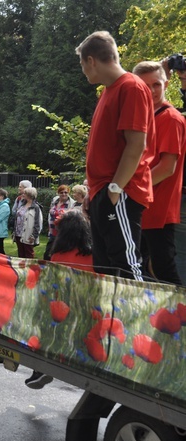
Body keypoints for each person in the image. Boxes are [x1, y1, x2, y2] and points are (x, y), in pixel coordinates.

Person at [76, 31, 154, 281]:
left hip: (120, 192)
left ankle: (139, 321)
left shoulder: (131, 87)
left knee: (126, 266)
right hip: (104, 191)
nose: (83, 71)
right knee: (105, 269)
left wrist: (114, 189)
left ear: (91, 60)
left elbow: (136, 145)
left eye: (82, 64)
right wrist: (95, 191)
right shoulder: (107, 91)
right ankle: (112, 321)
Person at [26, 210, 93, 390]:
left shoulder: (58, 255)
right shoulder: (92, 254)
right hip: (86, 306)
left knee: (44, 327)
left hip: (63, 304)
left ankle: (39, 369)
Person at [133, 61, 186, 285]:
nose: (153, 91)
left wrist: (129, 189)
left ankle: (178, 318)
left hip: (159, 210)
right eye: (146, 86)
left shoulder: (171, 118)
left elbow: (167, 168)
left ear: (166, 83)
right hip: (143, 208)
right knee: (144, 270)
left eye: (157, 84)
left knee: (165, 272)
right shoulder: (146, 116)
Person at [44, 185, 75, 260]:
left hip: (63, 233)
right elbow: (50, 214)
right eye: (61, 192)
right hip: (52, 232)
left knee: (59, 253)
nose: (64, 194)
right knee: (47, 254)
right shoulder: (55, 201)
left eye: (66, 192)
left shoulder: (72, 204)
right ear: (58, 193)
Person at [13, 187, 42, 259]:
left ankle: (29, 269)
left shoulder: (36, 207)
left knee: (28, 254)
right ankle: (21, 268)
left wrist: (34, 235)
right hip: (18, 233)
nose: (23, 194)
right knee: (20, 253)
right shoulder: (22, 205)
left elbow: (38, 222)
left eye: (24, 193)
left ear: (30, 195)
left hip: (28, 234)